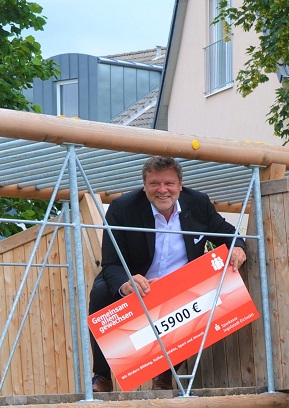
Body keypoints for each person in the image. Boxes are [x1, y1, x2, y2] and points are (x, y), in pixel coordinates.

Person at [88, 156, 247, 393]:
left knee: (215, 290)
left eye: (169, 183)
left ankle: (164, 375)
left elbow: (228, 233)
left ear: (180, 185)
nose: (162, 190)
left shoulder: (199, 203)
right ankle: (101, 376)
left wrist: (239, 247)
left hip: (181, 287)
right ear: (144, 185)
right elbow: (110, 263)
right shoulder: (122, 208)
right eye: (154, 183)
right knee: (101, 291)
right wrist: (127, 282)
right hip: (139, 284)